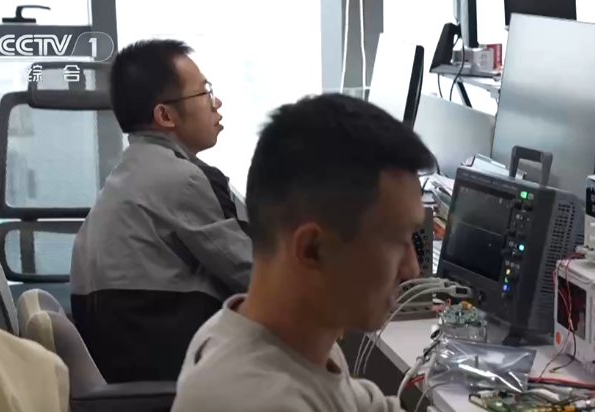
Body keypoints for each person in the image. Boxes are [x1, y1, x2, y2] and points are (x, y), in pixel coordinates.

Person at [172, 93, 434, 411]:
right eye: (396, 240)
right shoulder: (257, 400)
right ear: (313, 250)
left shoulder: (299, 339)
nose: (412, 269)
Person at [71, 39, 253, 383]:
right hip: (163, 369)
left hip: (125, 359)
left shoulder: (132, 171)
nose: (216, 102)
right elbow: (252, 274)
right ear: (165, 115)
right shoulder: (182, 179)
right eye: (205, 92)